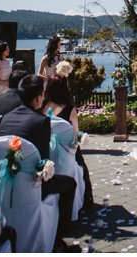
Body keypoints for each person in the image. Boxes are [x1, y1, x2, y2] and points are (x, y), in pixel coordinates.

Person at [0, 74, 79, 251]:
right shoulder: (42, 122)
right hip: (31, 185)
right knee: (70, 184)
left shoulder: (6, 117)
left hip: (1, 181)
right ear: (37, 97)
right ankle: (59, 238)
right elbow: (42, 162)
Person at [40, 75, 94, 210]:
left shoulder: (42, 107)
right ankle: (86, 199)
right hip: (67, 151)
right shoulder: (70, 110)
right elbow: (76, 136)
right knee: (82, 167)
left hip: (45, 149)